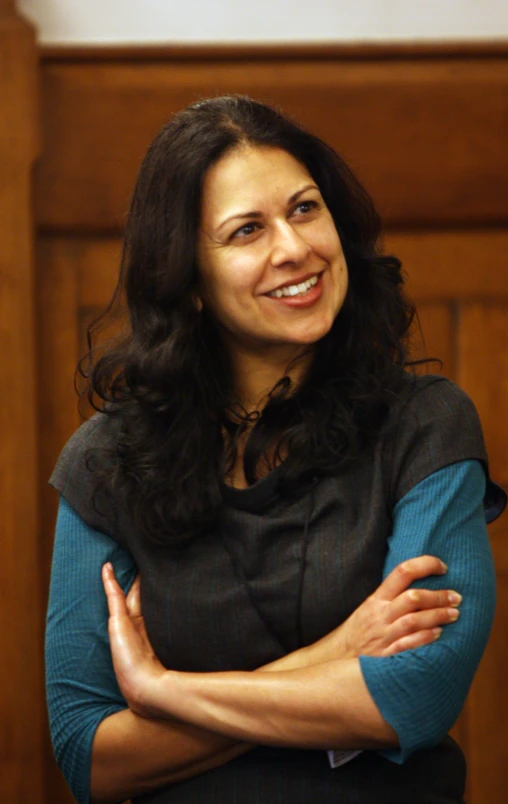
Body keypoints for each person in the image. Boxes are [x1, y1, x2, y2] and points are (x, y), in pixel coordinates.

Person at [46, 95, 506, 804]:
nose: (294, 249)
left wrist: (164, 694)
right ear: (188, 280)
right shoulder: (106, 461)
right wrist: (335, 656)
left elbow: (414, 696)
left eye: (304, 209)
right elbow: (91, 756)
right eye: (246, 231)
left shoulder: (427, 425)